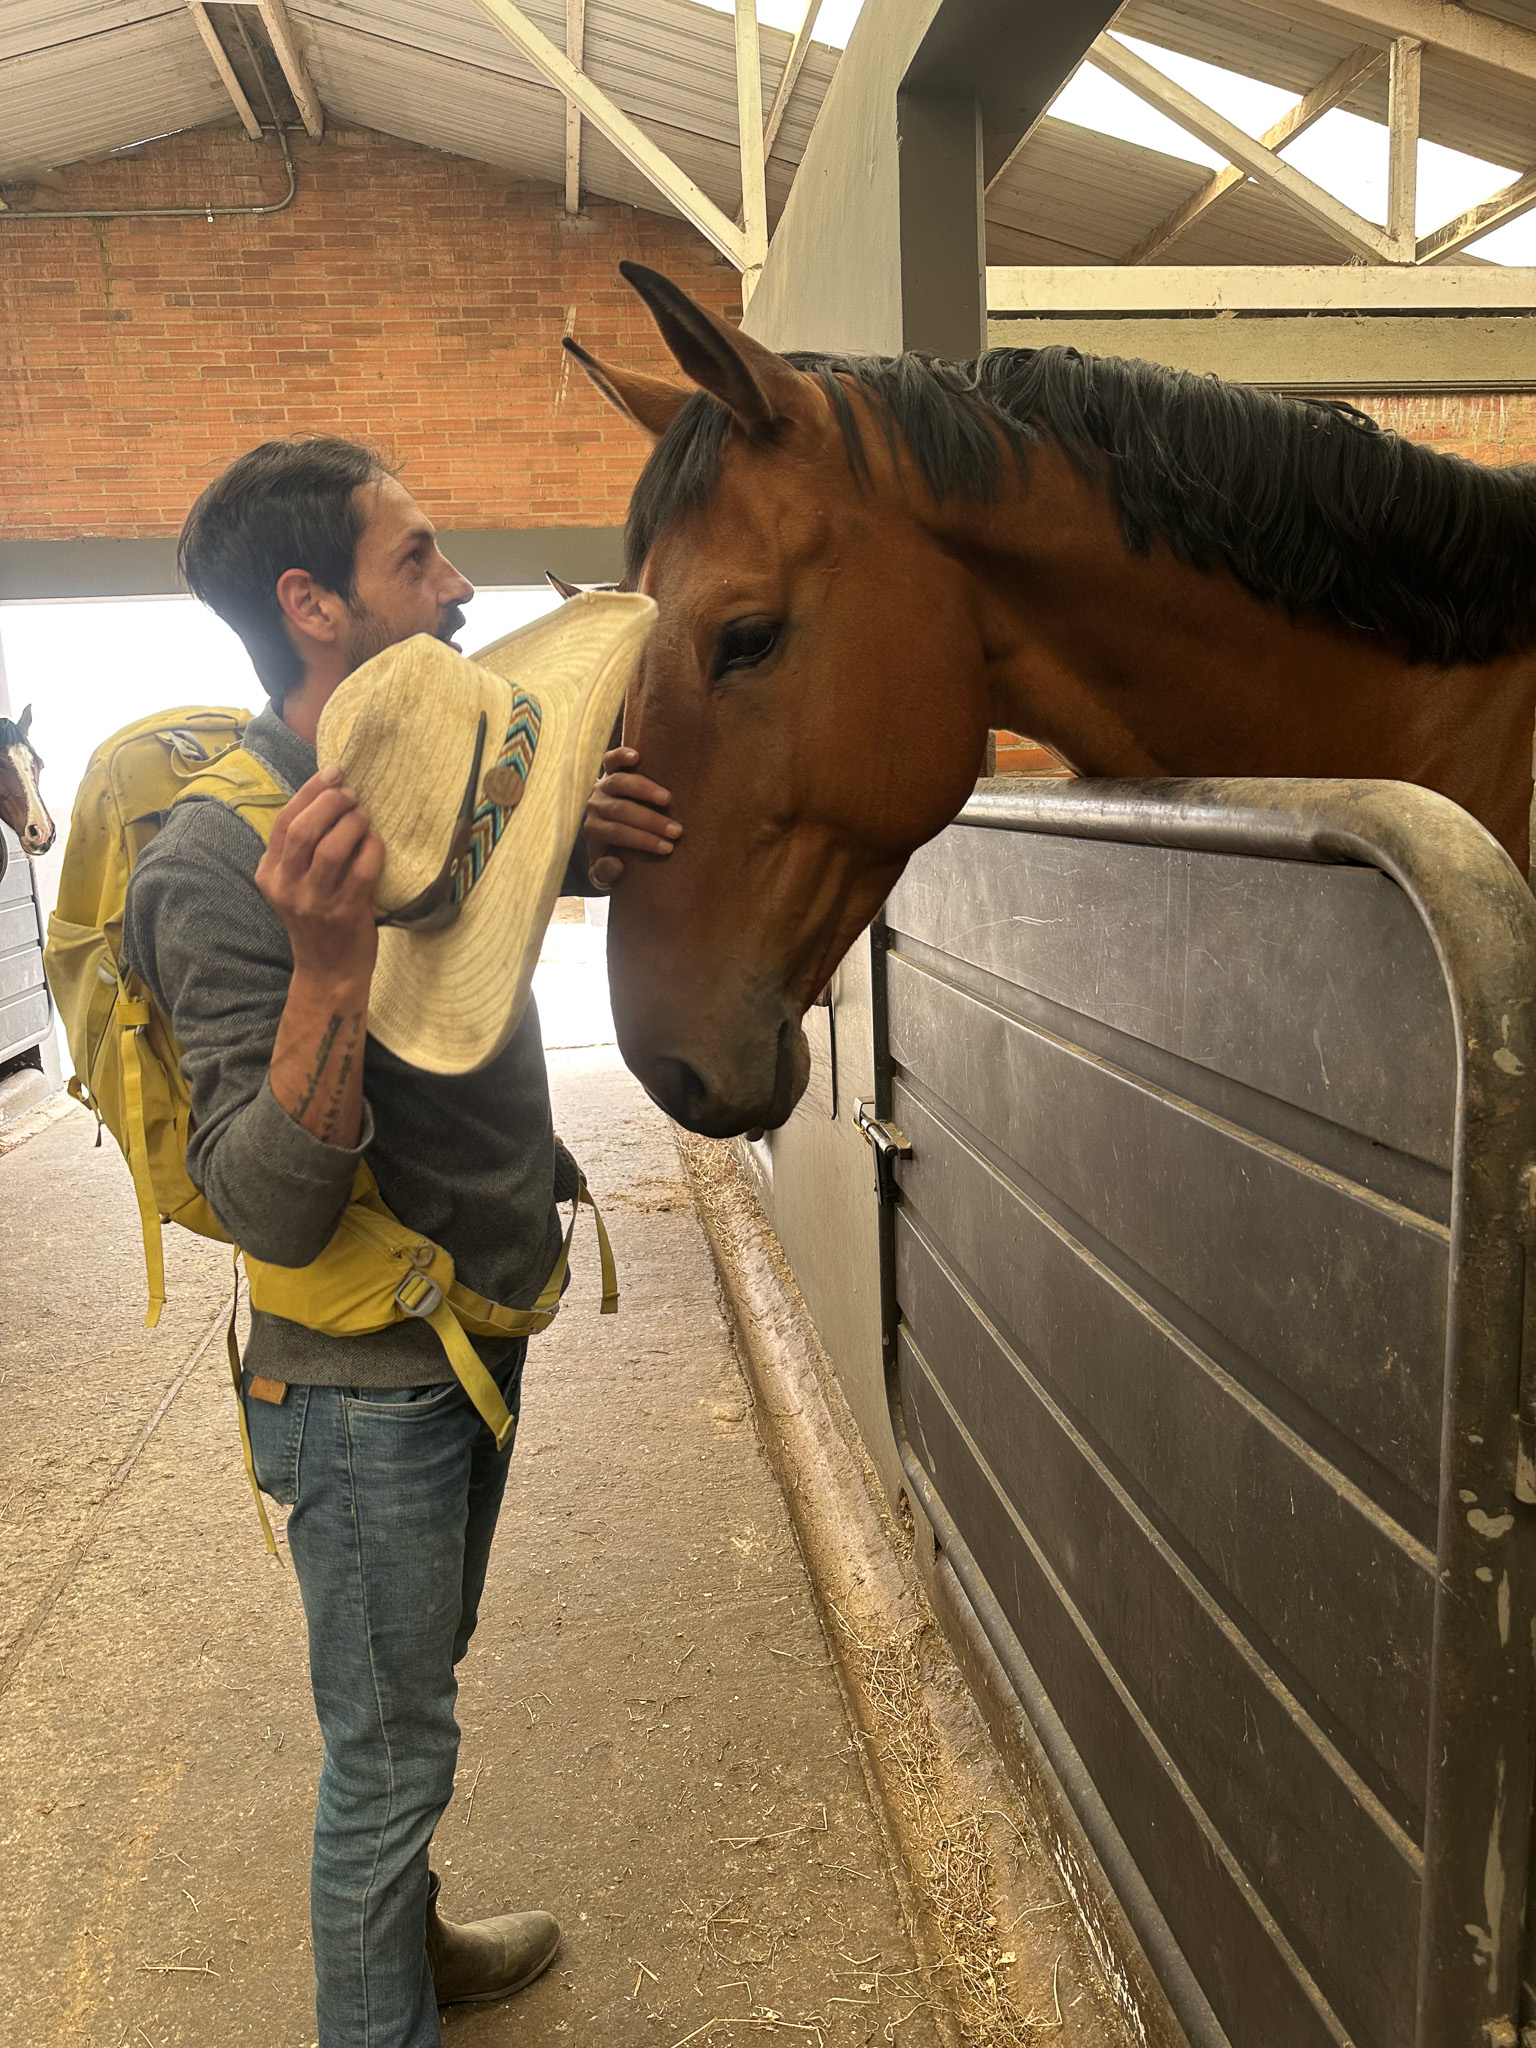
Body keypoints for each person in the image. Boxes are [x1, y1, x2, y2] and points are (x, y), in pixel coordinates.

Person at [122, 436, 678, 2048]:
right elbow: (267, 1205)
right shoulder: (221, 871)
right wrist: (320, 969)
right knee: (382, 1761)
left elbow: (451, 904)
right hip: (362, 1389)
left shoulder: (416, 786)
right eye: (418, 559)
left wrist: (564, 843)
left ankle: (415, 1951)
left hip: (472, 1328)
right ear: (311, 605)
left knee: (411, 1703)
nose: (459, 587)